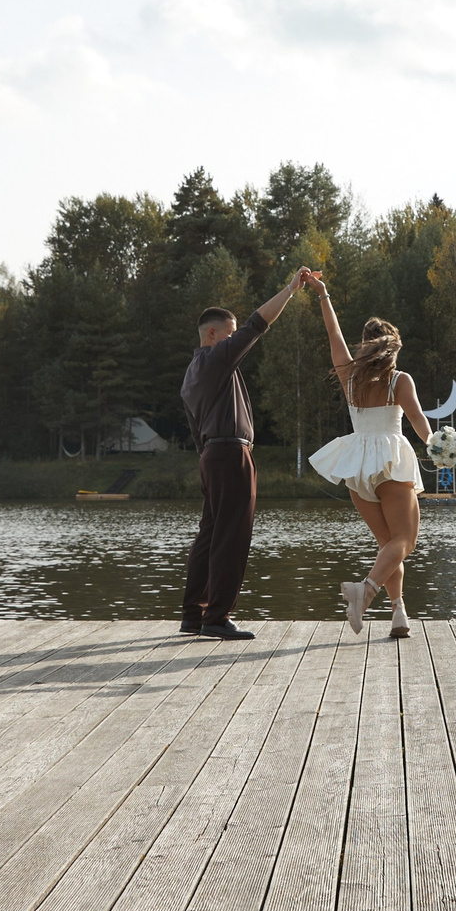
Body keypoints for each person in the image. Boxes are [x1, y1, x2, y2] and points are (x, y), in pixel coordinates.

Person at [179, 265, 313, 640]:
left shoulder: (193, 372)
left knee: (209, 534)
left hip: (211, 456)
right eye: (229, 334)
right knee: (231, 536)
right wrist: (289, 289)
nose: (234, 340)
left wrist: (207, 462)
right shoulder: (216, 358)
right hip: (230, 456)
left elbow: (194, 430)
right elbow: (258, 324)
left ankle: (195, 613)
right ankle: (217, 618)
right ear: (212, 333)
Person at [303, 275, 435, 637]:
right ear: (393, 347)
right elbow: (419, 421)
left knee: (387, 546)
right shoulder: (400, 380)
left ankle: (399, 614)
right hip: (390, 461)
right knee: (404, 542)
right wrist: (437, 447)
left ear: (366, 346)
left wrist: (324, 295)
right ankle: (366, 591)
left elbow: (333, 334)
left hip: (358, 466)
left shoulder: (349, 377)